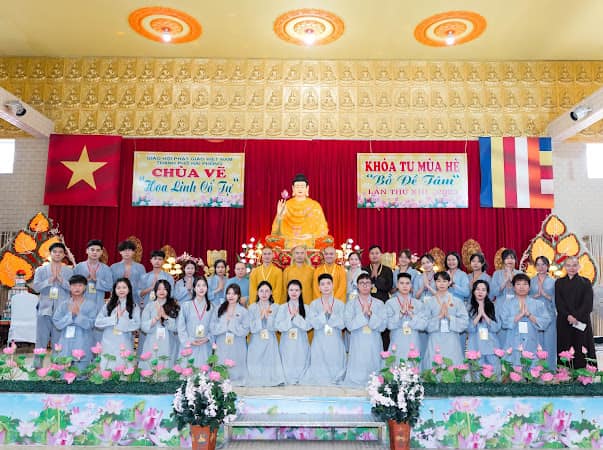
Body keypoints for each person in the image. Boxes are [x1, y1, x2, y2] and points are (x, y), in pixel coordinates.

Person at [343, 273, 386, 387]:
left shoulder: (379, 303)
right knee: (358, 364)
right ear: (357, 286)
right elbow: (349, 325)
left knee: (374, 363)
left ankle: (375, 382)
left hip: (374, 341)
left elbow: (383, 326)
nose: (365, 285)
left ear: (372, 285)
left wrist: (371, 314)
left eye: (367, 283)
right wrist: (362, 314)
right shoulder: (351, 304)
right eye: (362, 283)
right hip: (358, 341)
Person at [32, 242, 73, 361]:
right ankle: (37, 365)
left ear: (64, 255)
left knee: (59, 340)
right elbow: (36, 287)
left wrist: (61, 280)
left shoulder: (69, 271)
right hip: (44, 309)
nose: (57, 254)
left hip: (62, 310)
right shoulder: (41, 270)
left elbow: (73, 289)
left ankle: (58, 366)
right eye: (55, 252)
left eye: (60, 252)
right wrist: (49, 281)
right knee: (41, 339)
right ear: (50, 253)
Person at [304, 274, 346, 385]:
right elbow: (312, 323)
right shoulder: (314, 304)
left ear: (333, 285)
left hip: (335, 340)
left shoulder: (340, 304)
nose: (326, 286)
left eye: (328, 283)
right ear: (319, 287)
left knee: (335, 362)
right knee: (319, 367)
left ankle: (336, 378)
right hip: (319, 340)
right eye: (322, 284)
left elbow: (343, 324)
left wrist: (331, 314)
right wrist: (323, 314)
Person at [500, 273, 551, 366]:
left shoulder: (538, 304)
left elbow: (546, 321)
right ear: (513, 287)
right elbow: (504, 322)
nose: (521, 287)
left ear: (529, 287)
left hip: (532, 341)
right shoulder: (507, 304)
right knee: (513, 369)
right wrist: (519, 315)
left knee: (533, 369)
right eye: (518, 284)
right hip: (513, 341)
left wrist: (529, 315)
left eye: (525, 284)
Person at [555, 256, 596, 369]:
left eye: (574, 265)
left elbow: (588, 304)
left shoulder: (586, 282)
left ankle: (584, 373)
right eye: (568, 265)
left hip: (581, 321)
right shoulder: (559, 282)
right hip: (564, 320)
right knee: (565, 346)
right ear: (564, 267)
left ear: (578, 266)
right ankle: (564, 373)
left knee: (581, 347)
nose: (571, 268)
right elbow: (559, 303)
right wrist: (568, 316)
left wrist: (575, 317)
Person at [422, 271, 469, 371]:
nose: (441, 284)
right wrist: (438, 317)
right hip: (435, 338)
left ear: (449, 282)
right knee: (434, 366)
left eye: (444, 281)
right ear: (435, 283)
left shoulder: (457, 301)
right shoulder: (429, 302)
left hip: (452, 339)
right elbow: (424, 323)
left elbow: (465, 322)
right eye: (438, 281)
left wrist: (449, 317)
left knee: (452, 366)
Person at [270, 173, 329, 249]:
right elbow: (275, 233)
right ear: (293, 188)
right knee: (270, 239)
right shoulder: (286, 205)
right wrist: (279, 216)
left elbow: (323, 231)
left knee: (328, 240)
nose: (299, 189)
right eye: (297, 186)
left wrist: (311, 236)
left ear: (307, 188)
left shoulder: (314, 206)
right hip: (290, 239)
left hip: (308, 239)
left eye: (302, 186)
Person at [52, 275, 97, 372]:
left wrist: (78, 315)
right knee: (64, 372)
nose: (77, 288)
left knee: (81, 373)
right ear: (69, 287)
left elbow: (92, 323)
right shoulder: (64, 304)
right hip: (66, 342)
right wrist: (70, 315)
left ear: (85, 287)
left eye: (80, 285)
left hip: (83, 342)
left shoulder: (91, 305)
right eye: (74, 285)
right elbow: (57, 322)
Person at [95, 278, 141, 370]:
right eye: (118, 288)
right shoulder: (108, 305)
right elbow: (98, 322)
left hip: (124, 342)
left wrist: (121, 320)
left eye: (124, 287)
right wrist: (114, 318)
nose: (121, 290)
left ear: (129, 289)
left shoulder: (134, 306)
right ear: (114, 290)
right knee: (107, 367)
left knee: (124, 367)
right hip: (108, 341)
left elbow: (137, 324)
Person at [73, 239, 113, 341]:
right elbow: (72, 285)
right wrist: (84, 281)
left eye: (98, 250)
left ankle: (96, 351)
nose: (95, 252)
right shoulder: (79, 267)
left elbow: (110, 286)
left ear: (101, 252)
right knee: (81, 331)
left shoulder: (106, 269)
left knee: (97, 332)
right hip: (81, 304)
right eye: (92, 250)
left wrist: (96, 280)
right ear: (87, 251)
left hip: (98, 304)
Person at [246, 281, 285, 386]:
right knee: (256, 361)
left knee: (270, 361)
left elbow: (277, 327)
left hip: (270, 339)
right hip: (256, 340)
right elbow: (250, 327)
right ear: (257, 292)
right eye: (261, 291)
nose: (264, 294)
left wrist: (268, 318)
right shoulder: (252, 307)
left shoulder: (276, 307)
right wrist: (260, 318)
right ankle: (255, 379)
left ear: (271, 292)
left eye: (267, 291)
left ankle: (272, 379)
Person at [210, 284, 249, 385]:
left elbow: (246, 330)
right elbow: (212, 326)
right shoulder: (219, 309)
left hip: (237, 343)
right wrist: (225, 325)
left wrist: (232, 325)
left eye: (234, 294)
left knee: (236, 363)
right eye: (229, 293)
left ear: (239, 295)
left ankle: (238, 379)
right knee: (222, 362)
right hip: (222, 342)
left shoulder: (243, 311)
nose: (231, 296)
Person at [138, 250, 174, 354]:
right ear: (151, 260)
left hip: (165, 310)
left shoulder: (168, 277)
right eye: (155, 259)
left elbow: (171, 294)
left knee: (166, 338)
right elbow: (139, 293)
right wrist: (151, 288)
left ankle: (165, 359)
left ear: (163, 261)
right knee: (146, 337)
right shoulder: (144, 277)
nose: (157, 261)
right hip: (148, 310)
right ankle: (144, 358)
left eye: (160, 259)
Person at [275, 280, 311, 384]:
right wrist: (290, 317)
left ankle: (301, 378)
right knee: (288, 360)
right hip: (287, 342)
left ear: (301, 291)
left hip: (301, 342)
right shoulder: (282, 307)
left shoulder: (306, 308)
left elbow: (308, 326)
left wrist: (297, 317)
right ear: (287, 291)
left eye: (296, 290)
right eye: (291, 290)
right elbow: (278, 327)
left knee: (301, 360)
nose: (294, 292)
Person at [139, 280, 180, 370]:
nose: (162, 291)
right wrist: (155, 319)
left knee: (166, 366)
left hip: (168, 342)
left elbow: (176, 327)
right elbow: (143, 326)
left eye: (164, 289)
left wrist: (165, 316)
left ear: (168, 291)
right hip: (152, 341)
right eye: (159, 289)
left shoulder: (173, 306)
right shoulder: (149, 306)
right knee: (151, 365)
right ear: (155, 291)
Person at [386, 273, 426, 362]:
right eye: (402, 283)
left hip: (413, 339)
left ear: (411, 285)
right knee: (396, 365)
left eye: (407, 283)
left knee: (413, 365)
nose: (405, 286)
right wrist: (401, 313)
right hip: (397, 339)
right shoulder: (390, 303)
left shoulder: (418, 304)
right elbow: (388, 325)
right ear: (397, 285)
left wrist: (412, 315)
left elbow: (423, 325)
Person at [466, 280, 501, 379]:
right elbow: (468, 328)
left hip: (491, 345)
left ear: (487, 292)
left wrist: (484, 315)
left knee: (494, 375)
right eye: (477, 289)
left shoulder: (493, 306)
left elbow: (496, 327)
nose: (480, 292)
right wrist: (478, 316)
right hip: (475, 345)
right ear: (473, 291)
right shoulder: (468, 307)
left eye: (483, 290)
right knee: (477, 375)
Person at [177, 276, 214, 367]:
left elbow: (214, 326)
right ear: (194, 288)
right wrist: (188, 340)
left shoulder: (212, 307)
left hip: (204, 344)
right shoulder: (186, 305)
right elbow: (181, 326)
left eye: (204, 285)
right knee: (188, 370)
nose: (201, 288)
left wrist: (208, 338)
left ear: (207, 288)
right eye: (198, 285)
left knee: (203, 372)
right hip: (189, 343)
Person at [530, 256, 557, 369]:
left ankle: (550, 369)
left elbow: (558, 299)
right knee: (536, 342)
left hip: (549, 315)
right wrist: (534, 296)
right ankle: (536, 370)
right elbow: (525, 297)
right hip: (535, 316)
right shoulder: (531, 281)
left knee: (550, 342)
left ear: (548, 266)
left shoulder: (554, 281)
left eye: (543, 264)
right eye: (538, 264)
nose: (540, 267)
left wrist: (546, 296)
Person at [110, 240, 146, 305]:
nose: (127, 252)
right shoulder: (113, 267)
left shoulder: (140, 267)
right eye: (124, 250)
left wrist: (142, 299)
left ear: (133, 252)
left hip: (135, 300)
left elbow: (143, 285)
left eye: (129, 250)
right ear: (120, 252)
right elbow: (111, 285)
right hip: (117, 300)